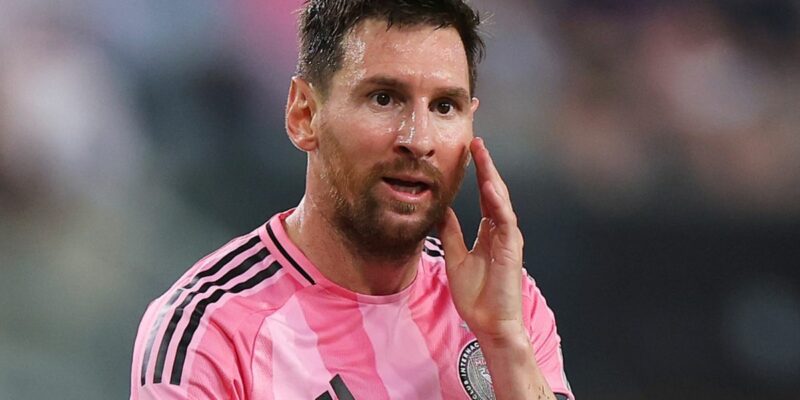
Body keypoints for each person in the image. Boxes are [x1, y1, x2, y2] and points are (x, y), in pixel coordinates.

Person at [131, 1, 574, 399]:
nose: (419, 139)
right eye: (384, 99)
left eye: (444, 107)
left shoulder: (506, 303)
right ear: (304, 114)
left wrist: (505, 341)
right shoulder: (208, 333)